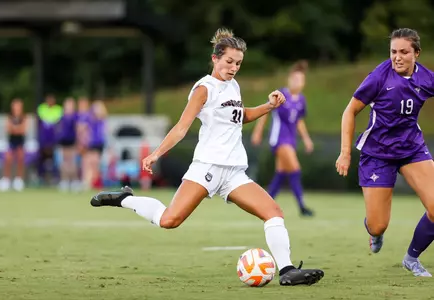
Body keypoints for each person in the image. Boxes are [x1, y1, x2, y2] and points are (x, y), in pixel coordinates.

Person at [90, 28, 324, 286]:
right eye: (229, 62)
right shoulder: (204, 88)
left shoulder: (233, 85)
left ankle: (288, 270)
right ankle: (126, 199)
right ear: (215, 58)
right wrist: (156, 154)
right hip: (207, 167)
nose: (234, 68)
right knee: (170, 220)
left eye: (238, 63)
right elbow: (181, 127)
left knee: (274, 212)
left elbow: (241, 116)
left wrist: (269, 106)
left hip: (234, 172)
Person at [336, 28, 434, 277]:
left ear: (417, 54)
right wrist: (345, 153)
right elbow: (349, 111)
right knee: (378, 224)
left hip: (412, 149)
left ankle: (411, 258)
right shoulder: (379, 77)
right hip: (377, 154)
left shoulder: (426, 78)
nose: (397, 57)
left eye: (404, 52)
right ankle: (374, 233)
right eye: (393, 51)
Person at [251, 60, 314, 217]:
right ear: (289, 80)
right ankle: (302, 207)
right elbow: (266, 111)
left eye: (301, 79)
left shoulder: (301, 100)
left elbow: (299, 121)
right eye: (295, 79)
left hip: (291, 140)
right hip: (279, 139)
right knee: (295, 169)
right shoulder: (282, 94)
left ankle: (263, 204)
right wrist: (258, 132)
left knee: (281, 173)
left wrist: (306, 139)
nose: (298, 82)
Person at [0, 98, 27, 191]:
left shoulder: (24, 117)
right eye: (15, 106)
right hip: (11, 142)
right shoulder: (9, 117)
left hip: (20, 142)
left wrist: (15, 128)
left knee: (21, 158)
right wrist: (15, 128)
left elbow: (22, 130)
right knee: (8, 159)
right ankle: (6, 179)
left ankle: (19, 180)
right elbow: (9, 129)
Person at [57, 97, 79, 192]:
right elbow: (59, 128)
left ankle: (74, 181)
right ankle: (64, 180)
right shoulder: (62, 117)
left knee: (72, 162)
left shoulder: (75, 116)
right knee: (65, 161)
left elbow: (77, 129)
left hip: (72, 141)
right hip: (64, 141)